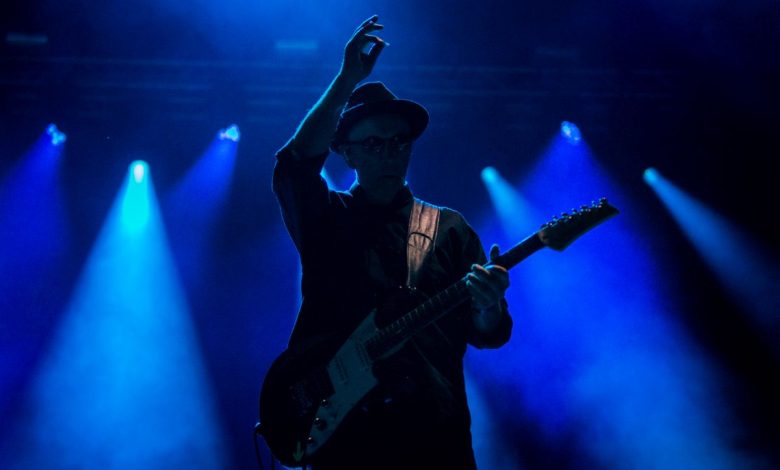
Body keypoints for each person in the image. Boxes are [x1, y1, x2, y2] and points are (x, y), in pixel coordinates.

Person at [272, 15, 513, 469]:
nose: (390, 153)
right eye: (374, 144)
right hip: (346, 441)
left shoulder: (449, 228)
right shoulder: (326, 218)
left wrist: (488, 306)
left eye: (399, 142)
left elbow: (488, 334)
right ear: (347, 152)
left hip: (435, 440)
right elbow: (294, 164)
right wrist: (347, 79)